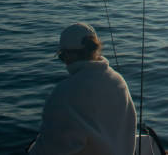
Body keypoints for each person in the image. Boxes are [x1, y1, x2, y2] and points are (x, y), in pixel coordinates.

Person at [28, 23, 137, 155]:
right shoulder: (118, 81)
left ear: (68, 55)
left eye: (62, 57)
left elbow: (53, 148)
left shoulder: (64, 93)